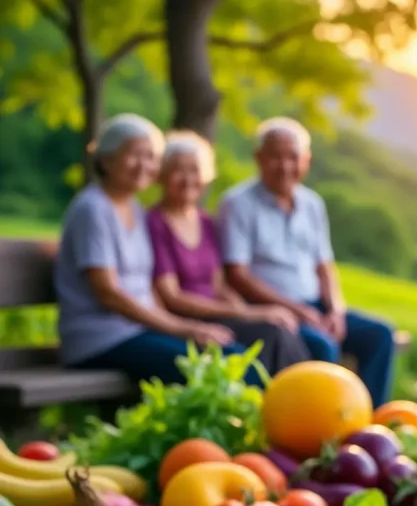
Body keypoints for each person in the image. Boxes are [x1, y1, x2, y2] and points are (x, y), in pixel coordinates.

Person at [54, 114, 263, 386]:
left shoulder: (137, 211)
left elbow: (147, 287)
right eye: (134, 154)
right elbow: (109, 294)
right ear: (105, 159)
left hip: (137, 331)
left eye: (152, 157)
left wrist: (184, 326)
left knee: (236, 358)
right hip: (99, 339)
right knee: (223, 368)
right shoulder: (93, 209)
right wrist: (183, 328)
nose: (144, 165)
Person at [218, 117, 396, 406]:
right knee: (324, 347)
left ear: (306, 160)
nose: (285, 166)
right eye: (276, 157)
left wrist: (335, 310)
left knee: (380, 335)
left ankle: (370, 426)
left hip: (315, 306)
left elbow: (324, 266)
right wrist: (297, 310)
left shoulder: (312, 204)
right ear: (259, 158)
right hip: (273, 311)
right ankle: (327, 429)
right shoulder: (237, 203)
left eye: (293, 157)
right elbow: (237, 275)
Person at [146, 130, 311, 375]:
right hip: (187, 320)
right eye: (178, 170)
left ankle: (307, 399)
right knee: (270, 336)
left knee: (279, 328)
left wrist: (252, 314)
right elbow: (172, 297)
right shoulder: (155, 223)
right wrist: (247, 312)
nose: (188, 179)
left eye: (195, 170)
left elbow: (219, 286)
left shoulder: (204, 221)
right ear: (162, 174)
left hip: (218, 315)